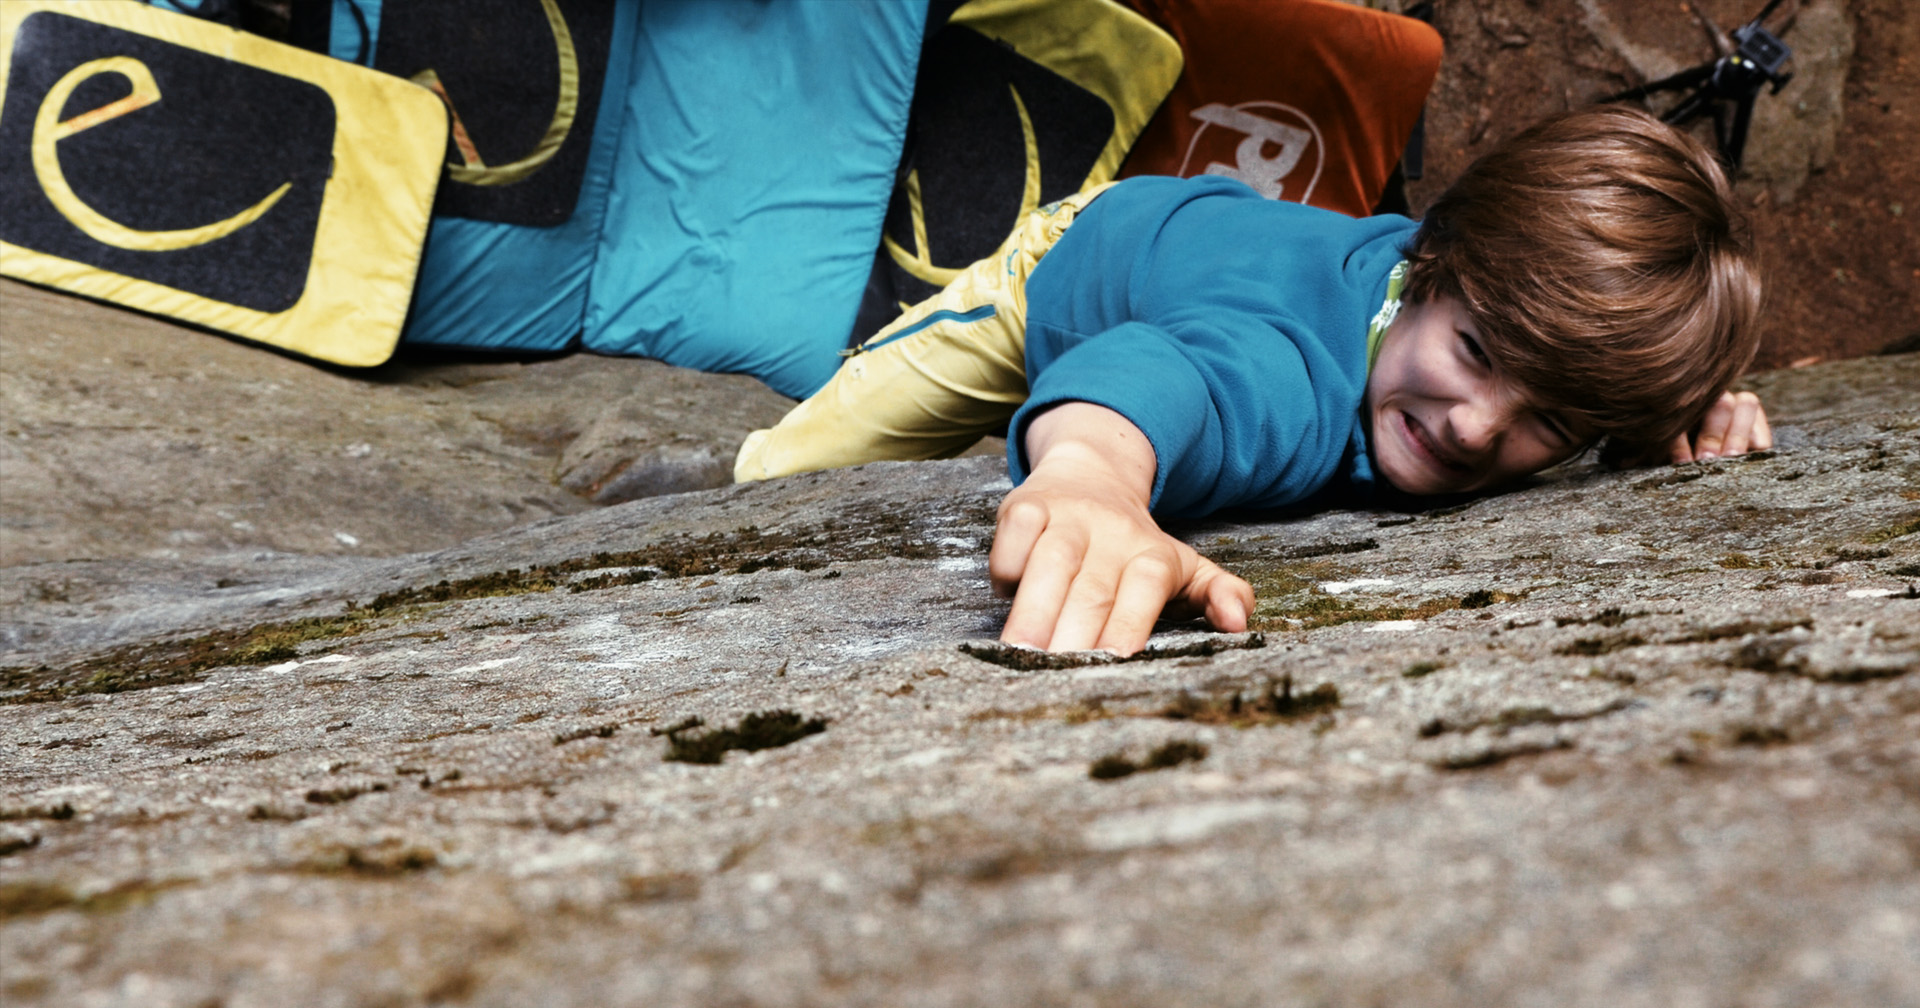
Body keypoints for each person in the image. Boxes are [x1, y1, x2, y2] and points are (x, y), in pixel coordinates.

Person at [735, 105, 1772, 655]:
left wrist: (1677, 404)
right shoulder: (1294, 376)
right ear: (1426, 269)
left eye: (1550, 419)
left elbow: (1587, 357)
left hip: (1220, 240)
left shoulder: (1510, 306)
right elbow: (1158, 373)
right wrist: (1091, 480)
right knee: (797, 469)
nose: (1475, 427)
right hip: (1081, 260)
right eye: (1479, 355)